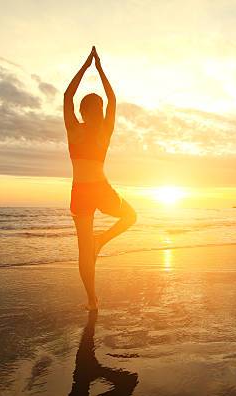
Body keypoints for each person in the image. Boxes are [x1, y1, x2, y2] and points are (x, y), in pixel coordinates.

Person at [64, 46, 137, 311]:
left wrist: (85, 67)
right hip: (100, 188)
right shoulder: (104, 130)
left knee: (84, 251)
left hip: (80, 190)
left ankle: (92, 301)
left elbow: (67, 95)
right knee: (131, 216)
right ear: (100, 110)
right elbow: (113, 99)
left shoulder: (73, 129)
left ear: (83, 111)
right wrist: (100, 68)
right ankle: (102, 241)